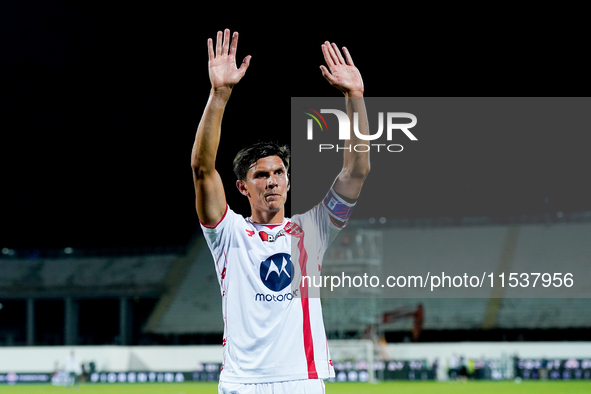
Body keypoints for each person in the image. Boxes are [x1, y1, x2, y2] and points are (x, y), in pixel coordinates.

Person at [192, 29, 370, 393]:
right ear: (242, 187)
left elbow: (357, 170)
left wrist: (355, 97)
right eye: (260, 175)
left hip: (302, 381)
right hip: (243, 382)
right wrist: (219, 94)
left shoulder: (314, 228)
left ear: (288, 181)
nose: (272, 181)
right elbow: (202, 169)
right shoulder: (228, 234)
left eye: (278, 173)